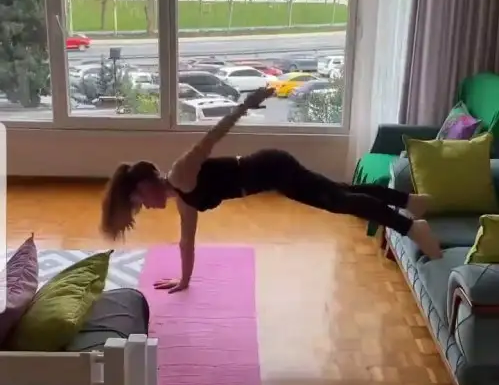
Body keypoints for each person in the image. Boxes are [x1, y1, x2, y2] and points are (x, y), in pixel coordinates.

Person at [101, 87, 441, 290]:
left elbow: (213, 135)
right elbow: (186, 242)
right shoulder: (183, 199)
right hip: (271, 173)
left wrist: (247, 104)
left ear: (145, 184)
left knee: (339, 201)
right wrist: (184, 281)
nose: (145, 206)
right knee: (340, 190)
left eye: (139, 200)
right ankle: (409, 201)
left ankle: (410, 227)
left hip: (272, 168)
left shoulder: (181, 173)